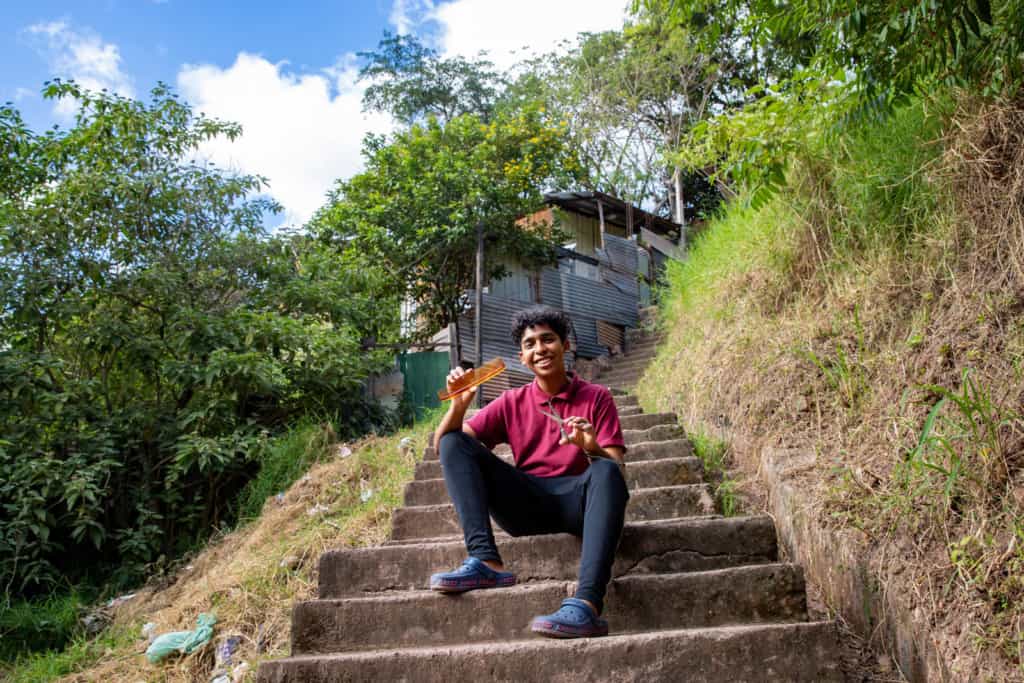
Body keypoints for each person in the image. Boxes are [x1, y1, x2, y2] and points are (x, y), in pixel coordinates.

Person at [430, 306, 629, 638]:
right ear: (522, 357)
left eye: (548, 339)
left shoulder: (597, 398)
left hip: (579, 504)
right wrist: (458, 406)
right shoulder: (512, 401)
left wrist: (591, 446)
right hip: (527, 505)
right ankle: (485, 561)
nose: (540, 349)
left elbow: (616, 466)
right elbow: (445, 447)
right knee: (453, 440)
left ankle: (587, 605)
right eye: (531, 344)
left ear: (567, 345)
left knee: (606, 471)